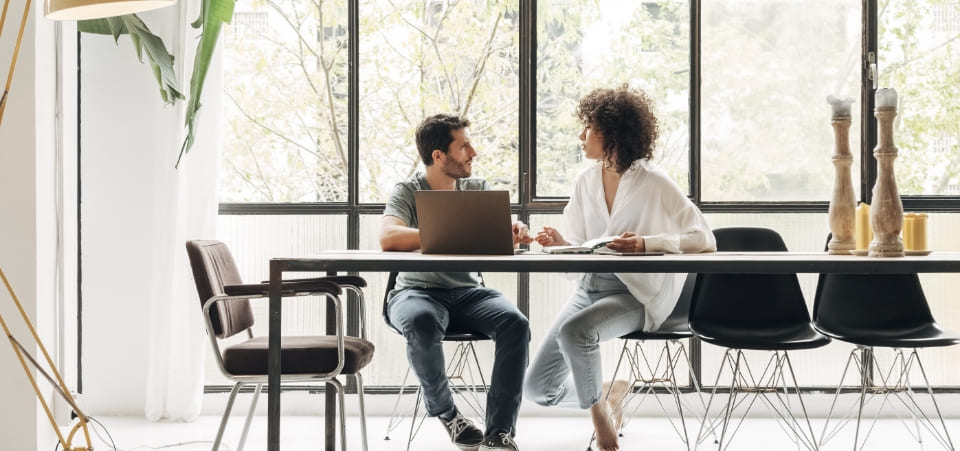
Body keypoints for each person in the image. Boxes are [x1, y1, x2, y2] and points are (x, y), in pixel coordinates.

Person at [522, 86, 716, 451]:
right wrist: (561, 244)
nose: (581, 137)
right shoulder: (584, 182)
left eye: (588, 128)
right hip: (590, 287)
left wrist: (646, 244)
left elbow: (703, 238)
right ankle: (608, 397)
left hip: (634, 292)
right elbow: (581, 244)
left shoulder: (654, 181)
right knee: (538, 388)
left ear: (611, 133)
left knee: (576, 333)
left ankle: (602, 426)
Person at [380, 113, 533, 451]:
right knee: (421, 322)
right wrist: (445, 232)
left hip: (469, 293)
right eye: (463, 146)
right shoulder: (409, 189)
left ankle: (500, 432)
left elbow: (497, 229)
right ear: (438, 156)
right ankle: (449, 415)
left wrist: (514, 228)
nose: (473, 152)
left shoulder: (475, 188)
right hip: (415, 292)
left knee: (515, 324)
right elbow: (389, 237)